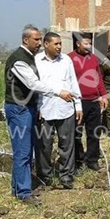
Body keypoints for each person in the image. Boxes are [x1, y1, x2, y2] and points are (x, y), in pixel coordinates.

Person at [4, 26, 73, 206]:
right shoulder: (19, 60)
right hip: (19, 109)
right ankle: (24, 193)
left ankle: (17, 188)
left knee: (27, 151)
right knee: (23, 152)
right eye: (36, 40)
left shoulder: (29, 57)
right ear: (25, 40)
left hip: (28, 108)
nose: (39, 44)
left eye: (40, 39)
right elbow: (33, 83)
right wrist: (58, 92)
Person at [34, 32, 83, 190]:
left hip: (65, 109)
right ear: (46, 44)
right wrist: (36, 107)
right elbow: (33, 87)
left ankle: (66, 177)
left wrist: (78, 105)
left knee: (67, 145)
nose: (59, 47)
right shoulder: (36, 61)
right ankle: (44, 177)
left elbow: (73, 82)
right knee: (44, 146)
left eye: (60, 43)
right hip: (44, 110)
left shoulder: (66, 60)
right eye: (56, 44)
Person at [68, 34, 108, 173]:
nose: (88, 47)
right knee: (76, 133)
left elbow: (99, 78)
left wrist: (103, 95)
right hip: (77, 103)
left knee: (94, 133)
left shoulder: (93, 59)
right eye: (85, 44)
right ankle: (77, 160)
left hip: (94, 101)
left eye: (90, 44)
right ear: (78, 44)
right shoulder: (69, 59)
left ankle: (92, 160)